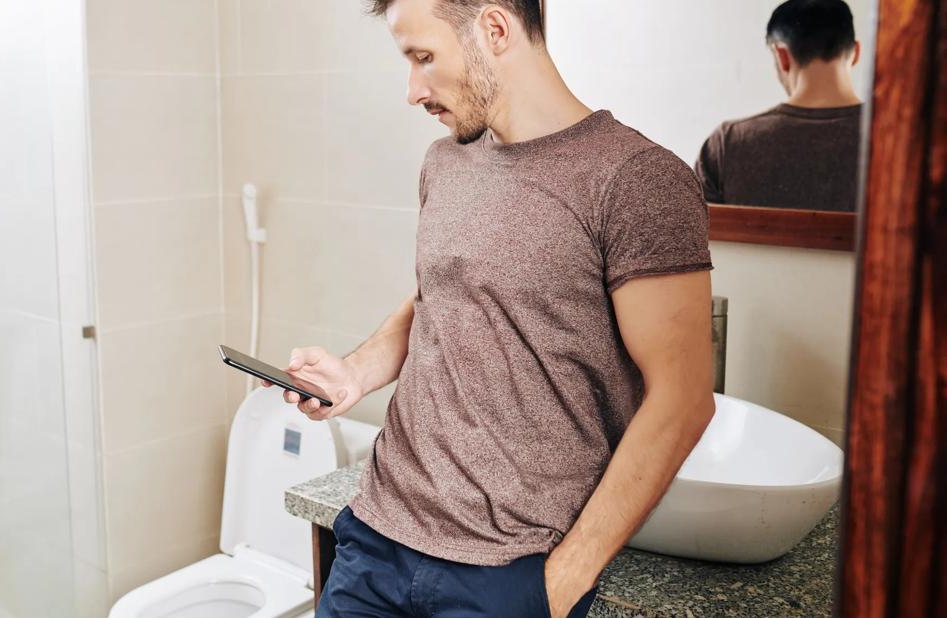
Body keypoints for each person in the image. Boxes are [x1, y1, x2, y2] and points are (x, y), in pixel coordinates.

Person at [263, 0, 715, 615]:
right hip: (376, 539)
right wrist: (354, 373)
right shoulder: (445, 162)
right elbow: (440, 299)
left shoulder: (637, 180)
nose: (412, 91)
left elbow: (683, 400)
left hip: (507, 575)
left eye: (424, 58)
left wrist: (557, 588)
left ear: (494, 28)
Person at [695, 0, 863, 212]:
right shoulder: (900, 140)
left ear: (781, 56)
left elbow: (691, 238)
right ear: (856, 52)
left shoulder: (727, 143)